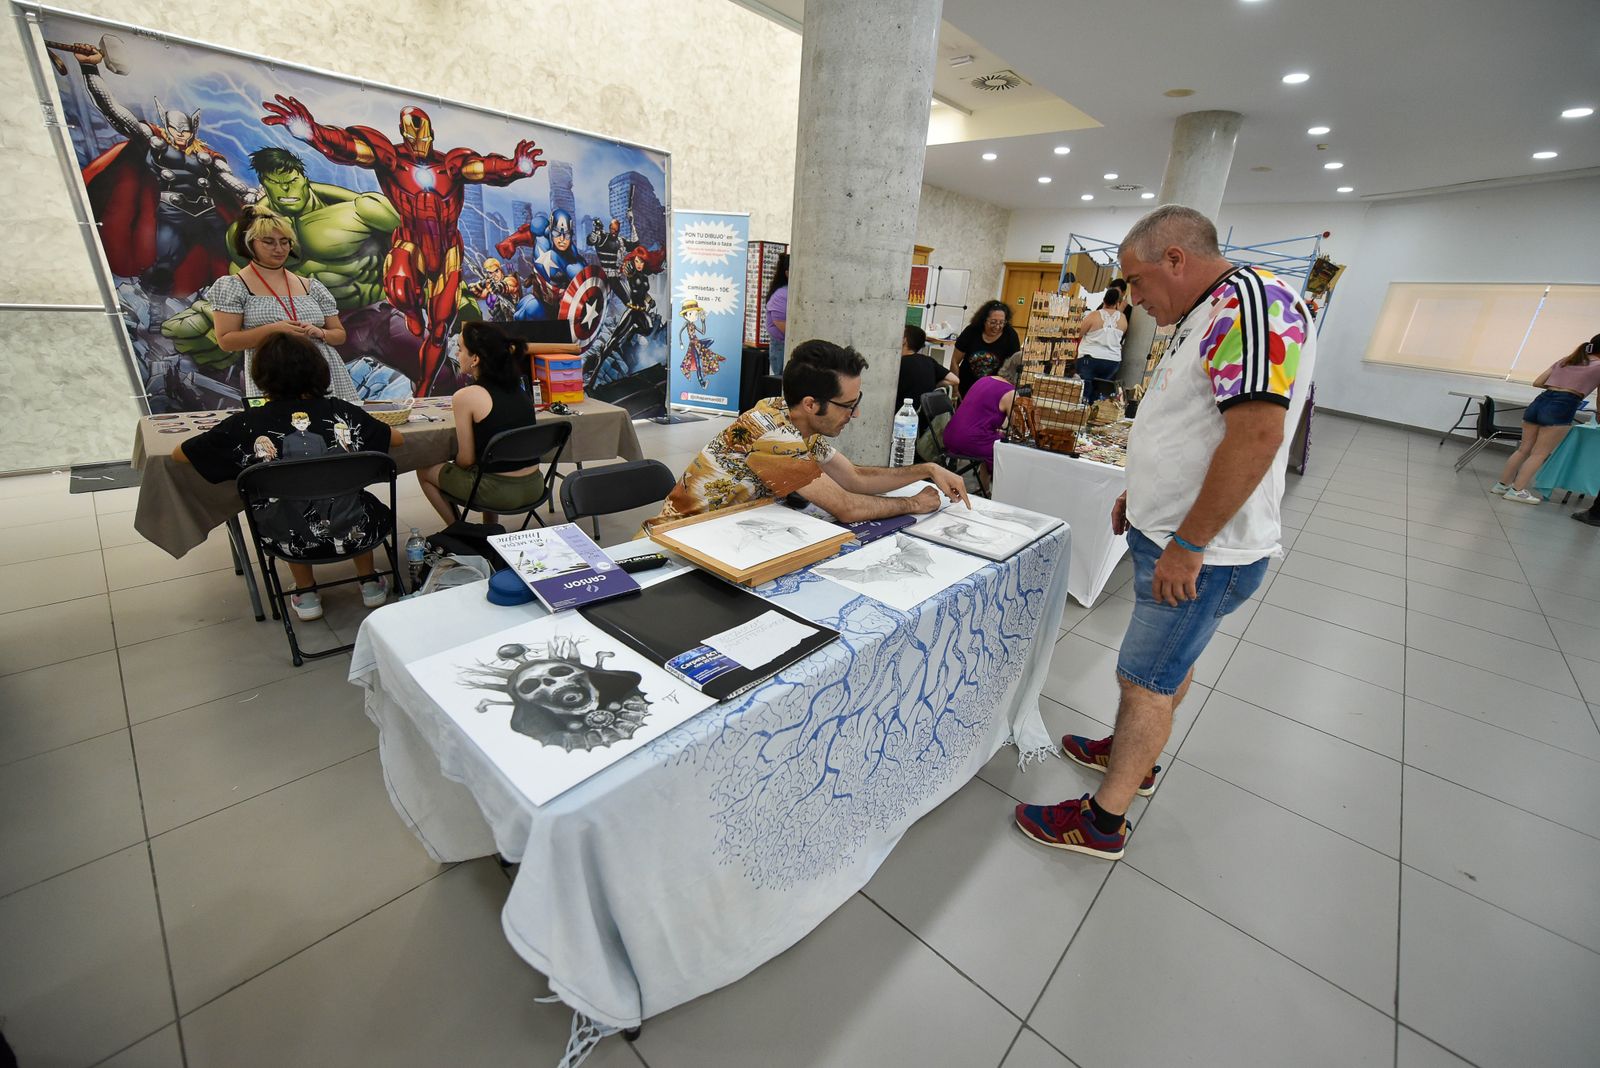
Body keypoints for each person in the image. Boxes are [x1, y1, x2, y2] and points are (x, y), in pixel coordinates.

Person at [1014, 204, 1316, 859]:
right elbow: (1190, 423)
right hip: (1173, 531)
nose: (1136, 298)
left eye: (1139, 281)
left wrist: (1189, 542)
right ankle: (1132, 753)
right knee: (1165, 666)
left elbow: (1257, 433)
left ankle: (1102, 821)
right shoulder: (1204, 310)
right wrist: (1141, 494)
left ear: (1176, 258)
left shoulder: (1252, 306)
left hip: (1205, 550)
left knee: (1144, 681)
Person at [172, 332, 404, 621]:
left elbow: (181, 455)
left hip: (285, 537)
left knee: (286, 504)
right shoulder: (341, 412)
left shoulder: (245, 424)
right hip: (356, 530)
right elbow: (396, 439)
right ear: (319, 370)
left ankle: (306, 593)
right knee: (350, 499)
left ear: (261, 376)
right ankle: (369, 583)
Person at [646, 338, 970, 533]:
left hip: (723, 536)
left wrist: (926, 469)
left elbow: (855, 478)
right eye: (847, 406)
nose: (855, 415)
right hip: (678, 547)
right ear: (811, 404)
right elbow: (846, 506)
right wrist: (914, 502)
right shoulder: (772, 433)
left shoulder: (794, 416)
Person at [210, 206, 360, 403]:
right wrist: (273, 330)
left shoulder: (311, 286)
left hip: (324, 377)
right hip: (272, 378)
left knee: (338, 430)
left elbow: (339, 335)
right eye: (269, 242)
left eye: (285, 242)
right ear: (249, 244)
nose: (279, 249)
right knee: (279, 431)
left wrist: (320, 333)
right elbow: (226, 341)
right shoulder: (232, 286)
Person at [417, 322, 542, 525]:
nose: (457, 355)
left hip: (500, 494)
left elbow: (466, 460)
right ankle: (488, 527)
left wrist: (451, 468)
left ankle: (461, 531)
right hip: (535, 486)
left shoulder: (466, 396)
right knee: (487, 467)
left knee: (424, 470)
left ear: (475, 359)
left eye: (460, 349)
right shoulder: (521, 391)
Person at [1492, 333, 1600, 504]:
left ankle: (1501, 485)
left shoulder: (1567, 360)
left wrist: (1559, 385)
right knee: (1540, 453)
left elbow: (1538, 382)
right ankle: (1517, 490)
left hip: (1541, 401)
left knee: (1523, 449)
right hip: (1564, 404)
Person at [942, 374, 1017, 492]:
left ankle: (984, 489)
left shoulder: (984, 379)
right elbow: (1017, 427)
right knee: (1006, 449)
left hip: (950, 435)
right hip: (968, 440)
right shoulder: (1011, 392)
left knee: (996, 439)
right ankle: (998, 492)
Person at [952, 300, 1022, 398]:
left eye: (1002, 323)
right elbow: (955, 361)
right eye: (993, 322)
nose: (997, 326)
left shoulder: (1010, 335)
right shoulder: (971, 331)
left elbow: (1013, 367)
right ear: (984, 320)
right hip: (966, 388)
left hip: (994, 391)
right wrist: (955, 389)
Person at [1076, 285, 1128, 403]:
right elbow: (1121, 336)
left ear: (1104, 300)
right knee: (1101, 392)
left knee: (1084, 390)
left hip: (1090, 358)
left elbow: (1078, 333)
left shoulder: (1094, 315)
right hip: (1112, 361)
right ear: (1118, 303)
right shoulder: (1123, 319)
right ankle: (1095, 412)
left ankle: (1081, 412)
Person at [897, 324, 958, 413]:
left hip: (899, 416)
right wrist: (934, 385)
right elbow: (955, 380)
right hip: (923, 418)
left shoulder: (898, 364)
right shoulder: (929, 360)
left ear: (904, 340)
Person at [765, 253, 790, 376]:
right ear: (787, 273)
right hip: (782, 347)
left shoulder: (786, 292)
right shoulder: (782, 294)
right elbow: (780, 323)